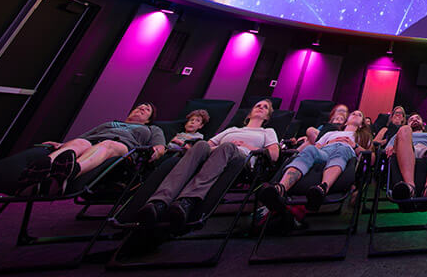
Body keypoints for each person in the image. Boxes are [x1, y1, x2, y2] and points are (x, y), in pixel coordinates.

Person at [137, 99, 279, 231]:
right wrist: (215, 148)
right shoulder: (232, 130)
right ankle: (158, 203)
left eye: (265, 107)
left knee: (227, 147)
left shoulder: (267, 132)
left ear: (267, 117)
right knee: (201, 145)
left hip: (242, 160)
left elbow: (274, 155)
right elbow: (207, 146)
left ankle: (187, 201)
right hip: (217, 154)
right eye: (258, 106)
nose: (260, 107)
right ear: (250, 113)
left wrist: (247, 146)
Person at [22, 102, 165, 193]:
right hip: (92, 142)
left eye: (146, 110)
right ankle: (41, 171)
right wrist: (61, 145)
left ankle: (70, 172)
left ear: (148, 119)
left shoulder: (152, 129)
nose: (141, 109)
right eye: (139, 107)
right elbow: (83, 137)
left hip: (124, 148)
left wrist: (156, 152)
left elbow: (160, 146)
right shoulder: (110, 123)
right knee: (80, 143)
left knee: (107, 144)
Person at [259, 107, 372, 212]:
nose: (356, 115)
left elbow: (372, 159)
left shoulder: (364, 136)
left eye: (359, 115)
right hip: (325, 151)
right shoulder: (331, 133)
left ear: (362, 124)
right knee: (310, 150)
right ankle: (281, 188)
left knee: (341, 149)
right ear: (346, 121)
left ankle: (322, 189)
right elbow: (317, 148)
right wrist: (330, 142)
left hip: (346, 153)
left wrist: (354, 145)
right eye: (353, 113)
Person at [384, 113, 427, 199]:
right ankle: (410, 187)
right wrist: (391, 147)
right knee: (405, 130)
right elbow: (388, 149)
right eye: (411, 119)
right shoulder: (400, 132)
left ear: (423, 125)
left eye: (418, 118)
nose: (414, 120)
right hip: (406, 150)